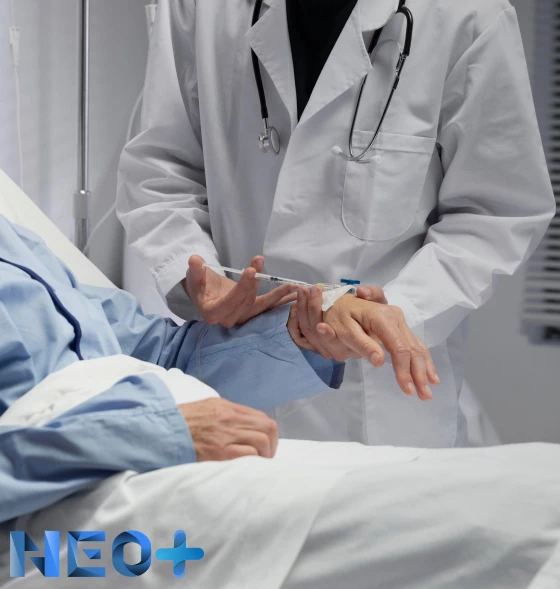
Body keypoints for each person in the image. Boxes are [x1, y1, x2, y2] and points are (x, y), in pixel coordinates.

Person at [117, 0, 556, 447]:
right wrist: (194, 270)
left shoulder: (469, 13)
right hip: (235, 378)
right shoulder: (200, 8)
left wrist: (393, 312)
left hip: (376, 402)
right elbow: (160, 170)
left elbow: (496, 211)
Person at [0, 214, 436, 524]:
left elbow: (163, 355)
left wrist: (303, 330)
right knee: (422, 523)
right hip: (62, 521)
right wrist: (145, 435)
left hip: (173, 458)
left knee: (421, 497)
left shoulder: (16, 244)